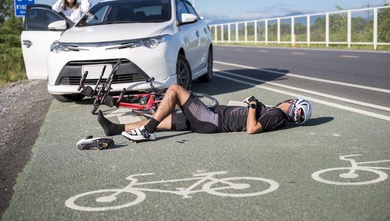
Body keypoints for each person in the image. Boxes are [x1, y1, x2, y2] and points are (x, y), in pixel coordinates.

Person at [98, 84, 312, 142]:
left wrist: (254, 105)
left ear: (292, 104)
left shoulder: (276, 114)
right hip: (210, 117)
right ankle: (115, 128)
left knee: (175, 89)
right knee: (164, 120)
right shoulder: (277, 117)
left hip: (213, 120)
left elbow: (251, 129)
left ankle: (147, 131)